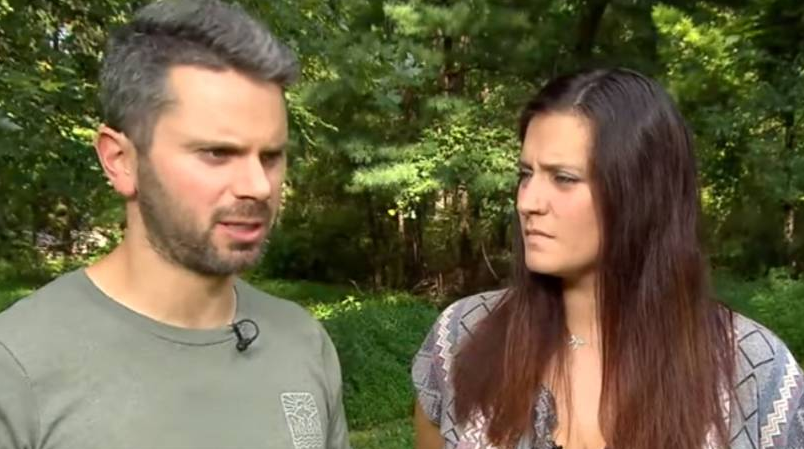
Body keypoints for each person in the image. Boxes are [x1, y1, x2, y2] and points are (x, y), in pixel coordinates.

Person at [0, 1, 350, 448]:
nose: (258, 186)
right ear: (120, 160)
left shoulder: (303, 343)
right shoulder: (18, 367)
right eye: (217, 153)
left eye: (270, 156)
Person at [412, 68, 804, 449]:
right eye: (526, 174)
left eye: (563, 178)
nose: (527, 202)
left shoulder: (753, 370)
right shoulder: (462, 336)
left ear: (641, 193)